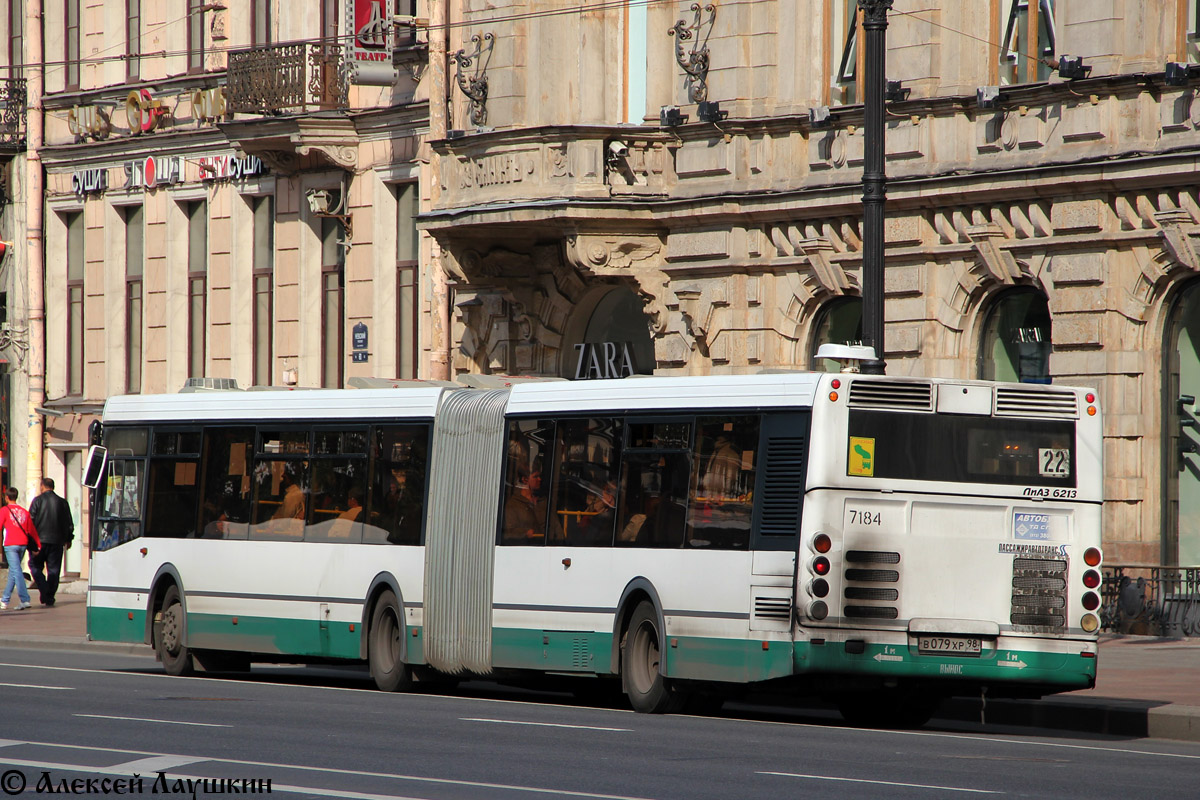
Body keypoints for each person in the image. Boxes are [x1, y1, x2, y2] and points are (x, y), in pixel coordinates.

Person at [29, 477, 74, 607]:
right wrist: (68, 539)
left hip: (40, 541)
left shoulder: (37, 501)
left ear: (42, 486)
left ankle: (44, 588)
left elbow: (30, 522)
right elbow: (69, 523)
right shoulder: (62, 502)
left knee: (35, 566)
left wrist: (31, 542)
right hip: (57, 541)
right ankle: (49, 596)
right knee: (54, 570)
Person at [0, 487, 41, 611]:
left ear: (7, 497)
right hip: (23, 543)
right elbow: (32, 530)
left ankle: (25, 599)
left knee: (16, 571)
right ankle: (5, 600)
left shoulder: (4, 510)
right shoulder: (24, 512)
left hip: (10, 544)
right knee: (14, 571)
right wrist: (38, 544)